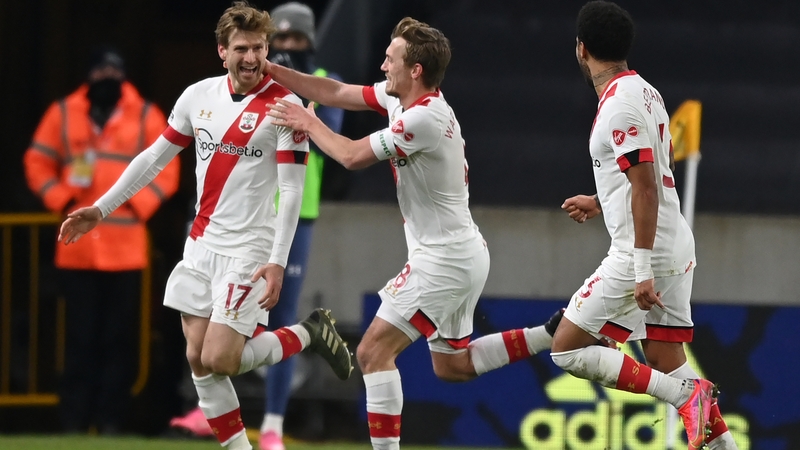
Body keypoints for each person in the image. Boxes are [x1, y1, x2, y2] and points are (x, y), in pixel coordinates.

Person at [58, 2, 353, 449]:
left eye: (259, 48)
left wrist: (276, 262)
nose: (251, 58)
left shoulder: (287, 106)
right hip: (200, 246)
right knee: (198, 360)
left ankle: (308, 331)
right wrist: (101, 208)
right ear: (222, 51)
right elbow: (153, 159)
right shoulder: (197, 97)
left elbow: (291, 191)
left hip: (249, 251)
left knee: (221, 358)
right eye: (242, 48)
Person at [265, 17, 566, 450]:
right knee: (453, 366)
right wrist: (275, 72)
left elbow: (349, 156)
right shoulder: (401, 101)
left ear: (416, 70)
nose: (384, 65)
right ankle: (548, 336)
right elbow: (335, 92)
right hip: (462, 253)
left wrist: (308, 124)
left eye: (391, 59)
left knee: (371, 353)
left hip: (444, 258)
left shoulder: (423, 120)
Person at [554, 2, 738, 449]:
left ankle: (684, 396)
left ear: (581, 50)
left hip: (646, 252)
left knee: (567, 347)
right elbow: (646, 176)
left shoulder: (618, 106)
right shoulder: (645, 91)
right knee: (664, 355)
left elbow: (646, 188)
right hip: (674, 244)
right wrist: (602, 200)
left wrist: (640, 270)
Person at [167, 4, 346, 449]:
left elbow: (335, 141)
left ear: (308, 43)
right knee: (203, 351)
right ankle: (228, 424)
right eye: (279, 41)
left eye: (293, 41)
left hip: (289, 217)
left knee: (272, 319)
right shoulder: (214, 92)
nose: (284, 50)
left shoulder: (312, 81)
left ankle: (272, 424)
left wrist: (302, 98)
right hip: (219, 225)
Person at [22, 46, 180, 434]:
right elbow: (36, 162)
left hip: (125, 250)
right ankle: (74, 421)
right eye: (101, 70)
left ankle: (112, 420)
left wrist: (136, 206)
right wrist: (61, 199)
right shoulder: (63, 113)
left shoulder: (145, 114)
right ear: (88, 74)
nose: (107, 77)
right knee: (78, 340)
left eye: (115, 70)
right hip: (77, 250)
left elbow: (168, 167)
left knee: (118, 340)